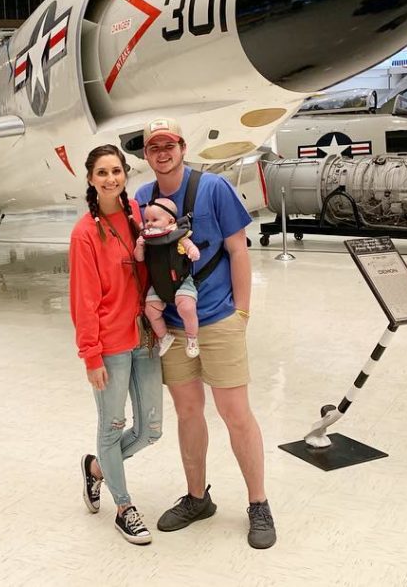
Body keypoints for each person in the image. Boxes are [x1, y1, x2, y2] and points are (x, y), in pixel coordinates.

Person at [135, 117, 277, 549]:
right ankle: (198, 498)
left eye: (169, 144)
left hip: (218, 318)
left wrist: (243, 313)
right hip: (173, 328)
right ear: (146, 154)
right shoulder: (142, 197)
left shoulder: (214, 189)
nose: (163, 152)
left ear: (182, 146)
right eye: (154, 147)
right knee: (188, 412)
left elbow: (238, 250)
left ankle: (258, 502)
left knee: (235, 413)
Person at [70, 144, 163, 545]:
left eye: (116, 171)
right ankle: (124, 507)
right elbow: (83, 300)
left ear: (126, 174)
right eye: (102, 173)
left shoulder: (139, 218)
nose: (110, 179)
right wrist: (91, 355)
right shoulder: (84, 233)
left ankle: (96, 470)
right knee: (113, 427)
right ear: (91, 179)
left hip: (145, 338)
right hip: (109, 344)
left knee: (151, 430)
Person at [135, 196, 202, 358]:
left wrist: (193, 251)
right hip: (159, 285)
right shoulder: (147, 240)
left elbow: (190, 247)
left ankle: (192, 338)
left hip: (181, 282)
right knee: (151, 311)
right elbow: (139, 259)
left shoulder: (178, 236)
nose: (149, 223)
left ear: (170, 220)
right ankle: (164, 336)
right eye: (147, 220)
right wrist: (139, 246)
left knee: (187, 307)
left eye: (154, 219)